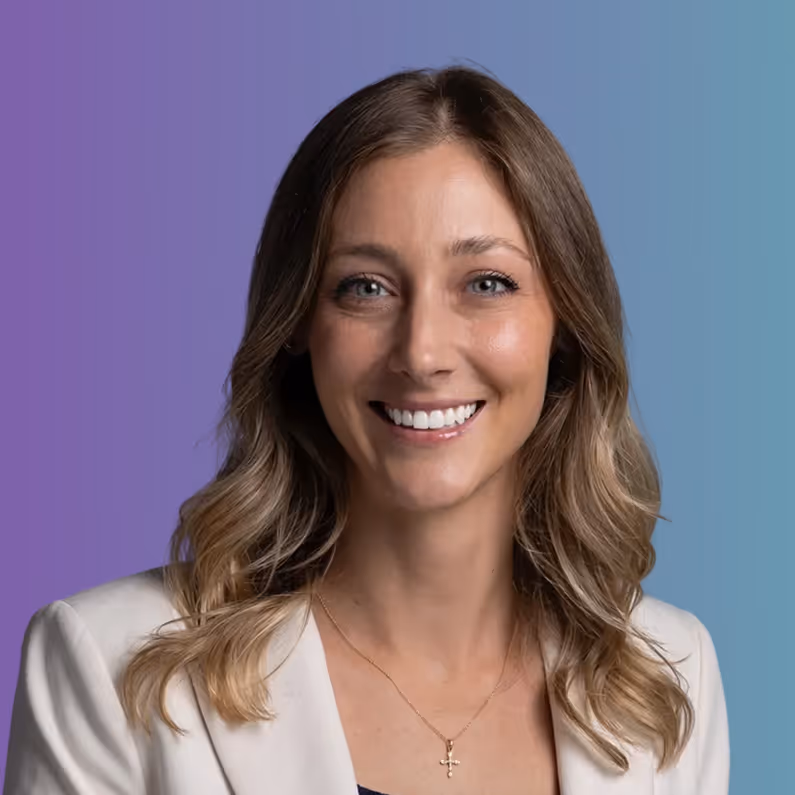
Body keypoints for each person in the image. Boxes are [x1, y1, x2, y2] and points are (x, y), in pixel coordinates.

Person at [3, 65, 729, 795]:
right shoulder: (111, 665)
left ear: (563, 325)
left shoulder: (670, 675)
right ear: (297, 326)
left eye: (485, 283)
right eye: (365, 287)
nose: (421, 353)